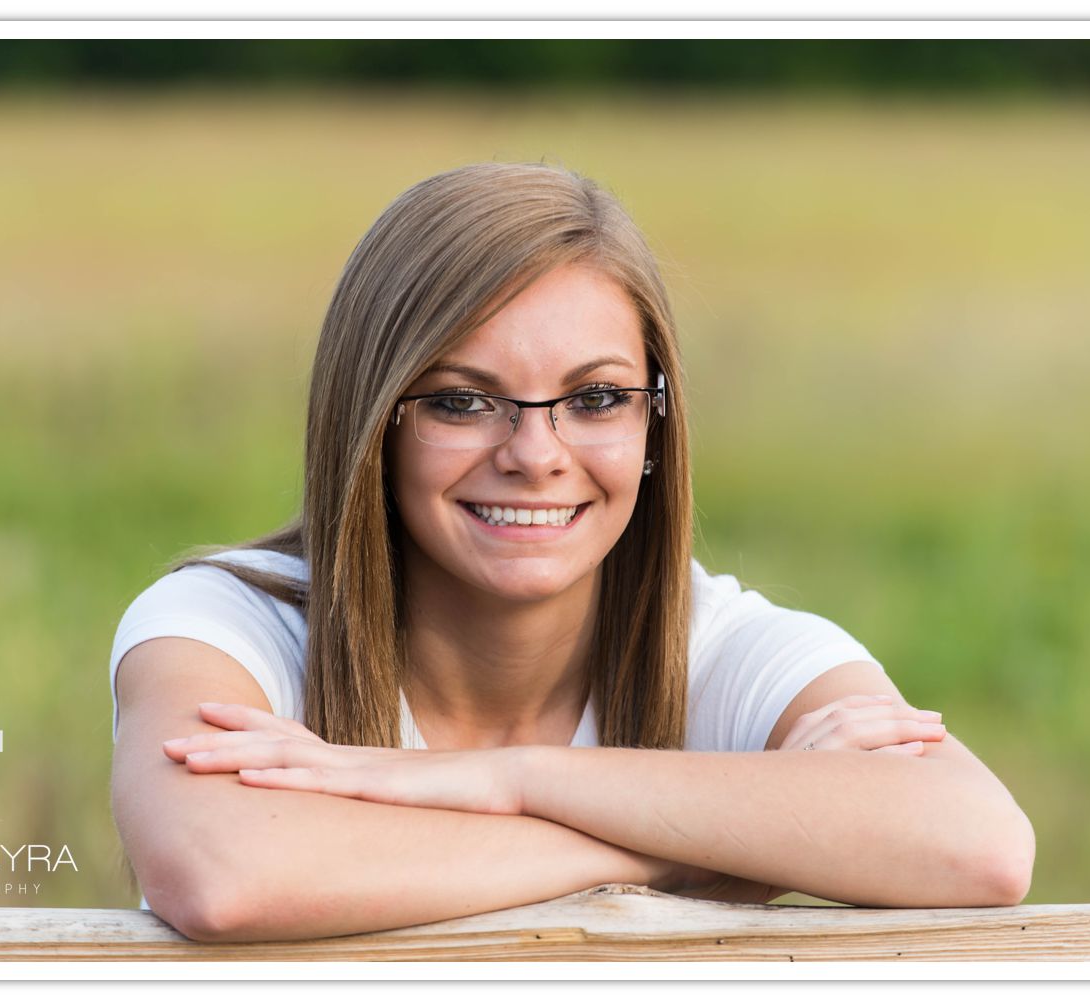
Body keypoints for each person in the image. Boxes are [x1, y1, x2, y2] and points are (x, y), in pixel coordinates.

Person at [108, 161, 1034, 944]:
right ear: (372, 420)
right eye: (462, 400)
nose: (535, 454)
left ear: (652, 424)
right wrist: (691, 843)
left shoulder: (721, 647)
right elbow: (224, 873)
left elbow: (978, 842)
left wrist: (510, 779)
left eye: (595, 398)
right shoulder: (225, 623)